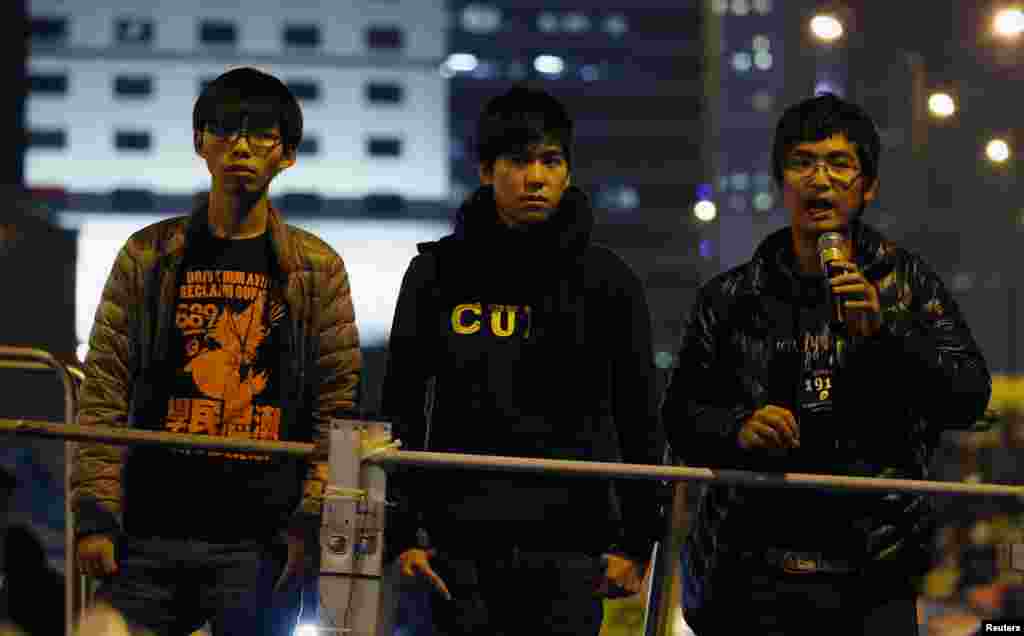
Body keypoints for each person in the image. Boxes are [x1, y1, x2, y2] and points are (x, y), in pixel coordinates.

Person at [662, 92, 991, 635]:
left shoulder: (907, 284)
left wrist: (886, 332)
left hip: (871, 567)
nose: (820, 179)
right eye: (802, 162)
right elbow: (679, 415)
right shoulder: (730, 297)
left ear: (869, 186)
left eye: (840, 163)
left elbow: (968, 397)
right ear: (781, 181)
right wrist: (738, 429)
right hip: (747, 569)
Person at [71, 66, 362, 635]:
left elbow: (338, 407)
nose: (242, 148)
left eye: (262, 135)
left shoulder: (315, 269)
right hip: (149, 529)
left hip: (260, 538)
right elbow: (105, 385)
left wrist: (308, 523)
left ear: (288, 155)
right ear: (201, 142)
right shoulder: (149, 255)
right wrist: (96, 516)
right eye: (225, 130)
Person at [380, 85, 666, 635]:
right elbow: (401, 410)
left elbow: (640, 417)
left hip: (572, 546)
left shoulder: (609, 282)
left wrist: (636, 540)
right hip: (453, 545)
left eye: (551, 161)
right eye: (518, 160)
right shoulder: (436, 275)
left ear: (567, 171)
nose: (536, 177)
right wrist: (402, 533)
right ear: (487, 170)